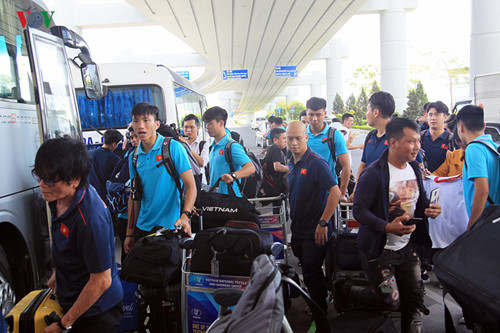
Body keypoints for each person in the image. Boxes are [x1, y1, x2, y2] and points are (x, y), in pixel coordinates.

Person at [337, 118, 441, 333]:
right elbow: (359, 210)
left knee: (414, 299)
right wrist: (386, 227)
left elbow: (417, 205)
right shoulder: (373, 174)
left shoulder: (414, 168)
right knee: (390, 301)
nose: (417, 147)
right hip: (379, 250)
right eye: (411, 142)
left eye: (418, 141)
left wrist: (429, 210)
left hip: (407, 247)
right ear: (393, 143)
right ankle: (345, 289)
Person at [33, 136, 123, 332]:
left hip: (96, 313)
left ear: (75, 179)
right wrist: (58, 275)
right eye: (39, 176)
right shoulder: (58, 197)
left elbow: (101, 280)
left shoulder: (90, 219)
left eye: (49, 180)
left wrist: (64, 324)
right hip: (75, 302)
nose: (42, 185)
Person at [124, 103, 197, 254]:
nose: (140, 126)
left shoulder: (173, 148)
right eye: (136, 121)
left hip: (171, 227)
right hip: (143, 228)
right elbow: (134, 197)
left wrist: (185, 216)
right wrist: (129, 233)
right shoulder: (134, 157)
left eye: (146, 120)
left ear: (157, 124)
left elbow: (191, 186)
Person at [287, 121, 341, 324]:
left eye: (298, 138)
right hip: (298, 229)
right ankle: (321, 298)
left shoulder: (316, 162)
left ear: (306, 138)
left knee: (310, 271)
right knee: (310, 270)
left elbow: (335, 193)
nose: (293, 143)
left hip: (316, 229)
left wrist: (323, 223)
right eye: (290, 138)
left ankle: (320, 319)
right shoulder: (291, 161)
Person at [456, 105, 500, 229]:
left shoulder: (473, 148)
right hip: (495, 218)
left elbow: (482, 190)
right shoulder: (492, 146)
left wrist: (472, 226)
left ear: (461, 127)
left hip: (485, 223)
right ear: (484, 126)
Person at [348, 91, 396, 202]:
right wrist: (356, 190)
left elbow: (417, 167)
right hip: (369, 198)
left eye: (367, 110)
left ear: (376, 112)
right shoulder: (370, 136)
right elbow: (363, 165)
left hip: (390, 200)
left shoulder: (399, 137)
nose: (366, 114)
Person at [202, 106, 255, 196]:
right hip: (216, 200)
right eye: (206, 124)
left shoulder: (232, 146)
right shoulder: (213, 147)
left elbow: (250, 168)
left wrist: (233, 176)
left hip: (231, 201)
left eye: (210, 123)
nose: (207, 127)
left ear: (221, 123)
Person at [305, 97, 350, 200]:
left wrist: (342, 193)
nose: (314, 118)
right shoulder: (301, 134)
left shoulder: (334, 135)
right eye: (311, 114)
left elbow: (346, 165)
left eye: (318, 114)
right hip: (305, 191)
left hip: (329, 192)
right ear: (307, 113)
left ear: (325, 113)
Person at [88, 129, 123, 202]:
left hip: (90, 196)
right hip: (105, 199)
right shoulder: (115, 159)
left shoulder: (88, 154)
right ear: (113, 144)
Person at [420, 101, 452, 173]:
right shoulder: (419, 138)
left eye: (437, 115)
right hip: (424, 182)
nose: (433, 118)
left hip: (445, 182)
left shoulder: (452, 140)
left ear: (445, 117)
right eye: (430, 115)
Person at [179, 114, 209, 185]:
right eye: (186, 127)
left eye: (192, 127)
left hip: (200, 185)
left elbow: (202, 163)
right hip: (184, 183)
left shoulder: (203, 145)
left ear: (198, 128)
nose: (188, 130)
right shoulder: (179, 145)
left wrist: (187, 146)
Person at [260, 127, 288, 198]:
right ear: (275, 140)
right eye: (284, 138)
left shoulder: (272, 148)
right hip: (275, 184)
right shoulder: (276, 149)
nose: (286, 141)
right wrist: (290, 168)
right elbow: (277, 167)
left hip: (272, 184)